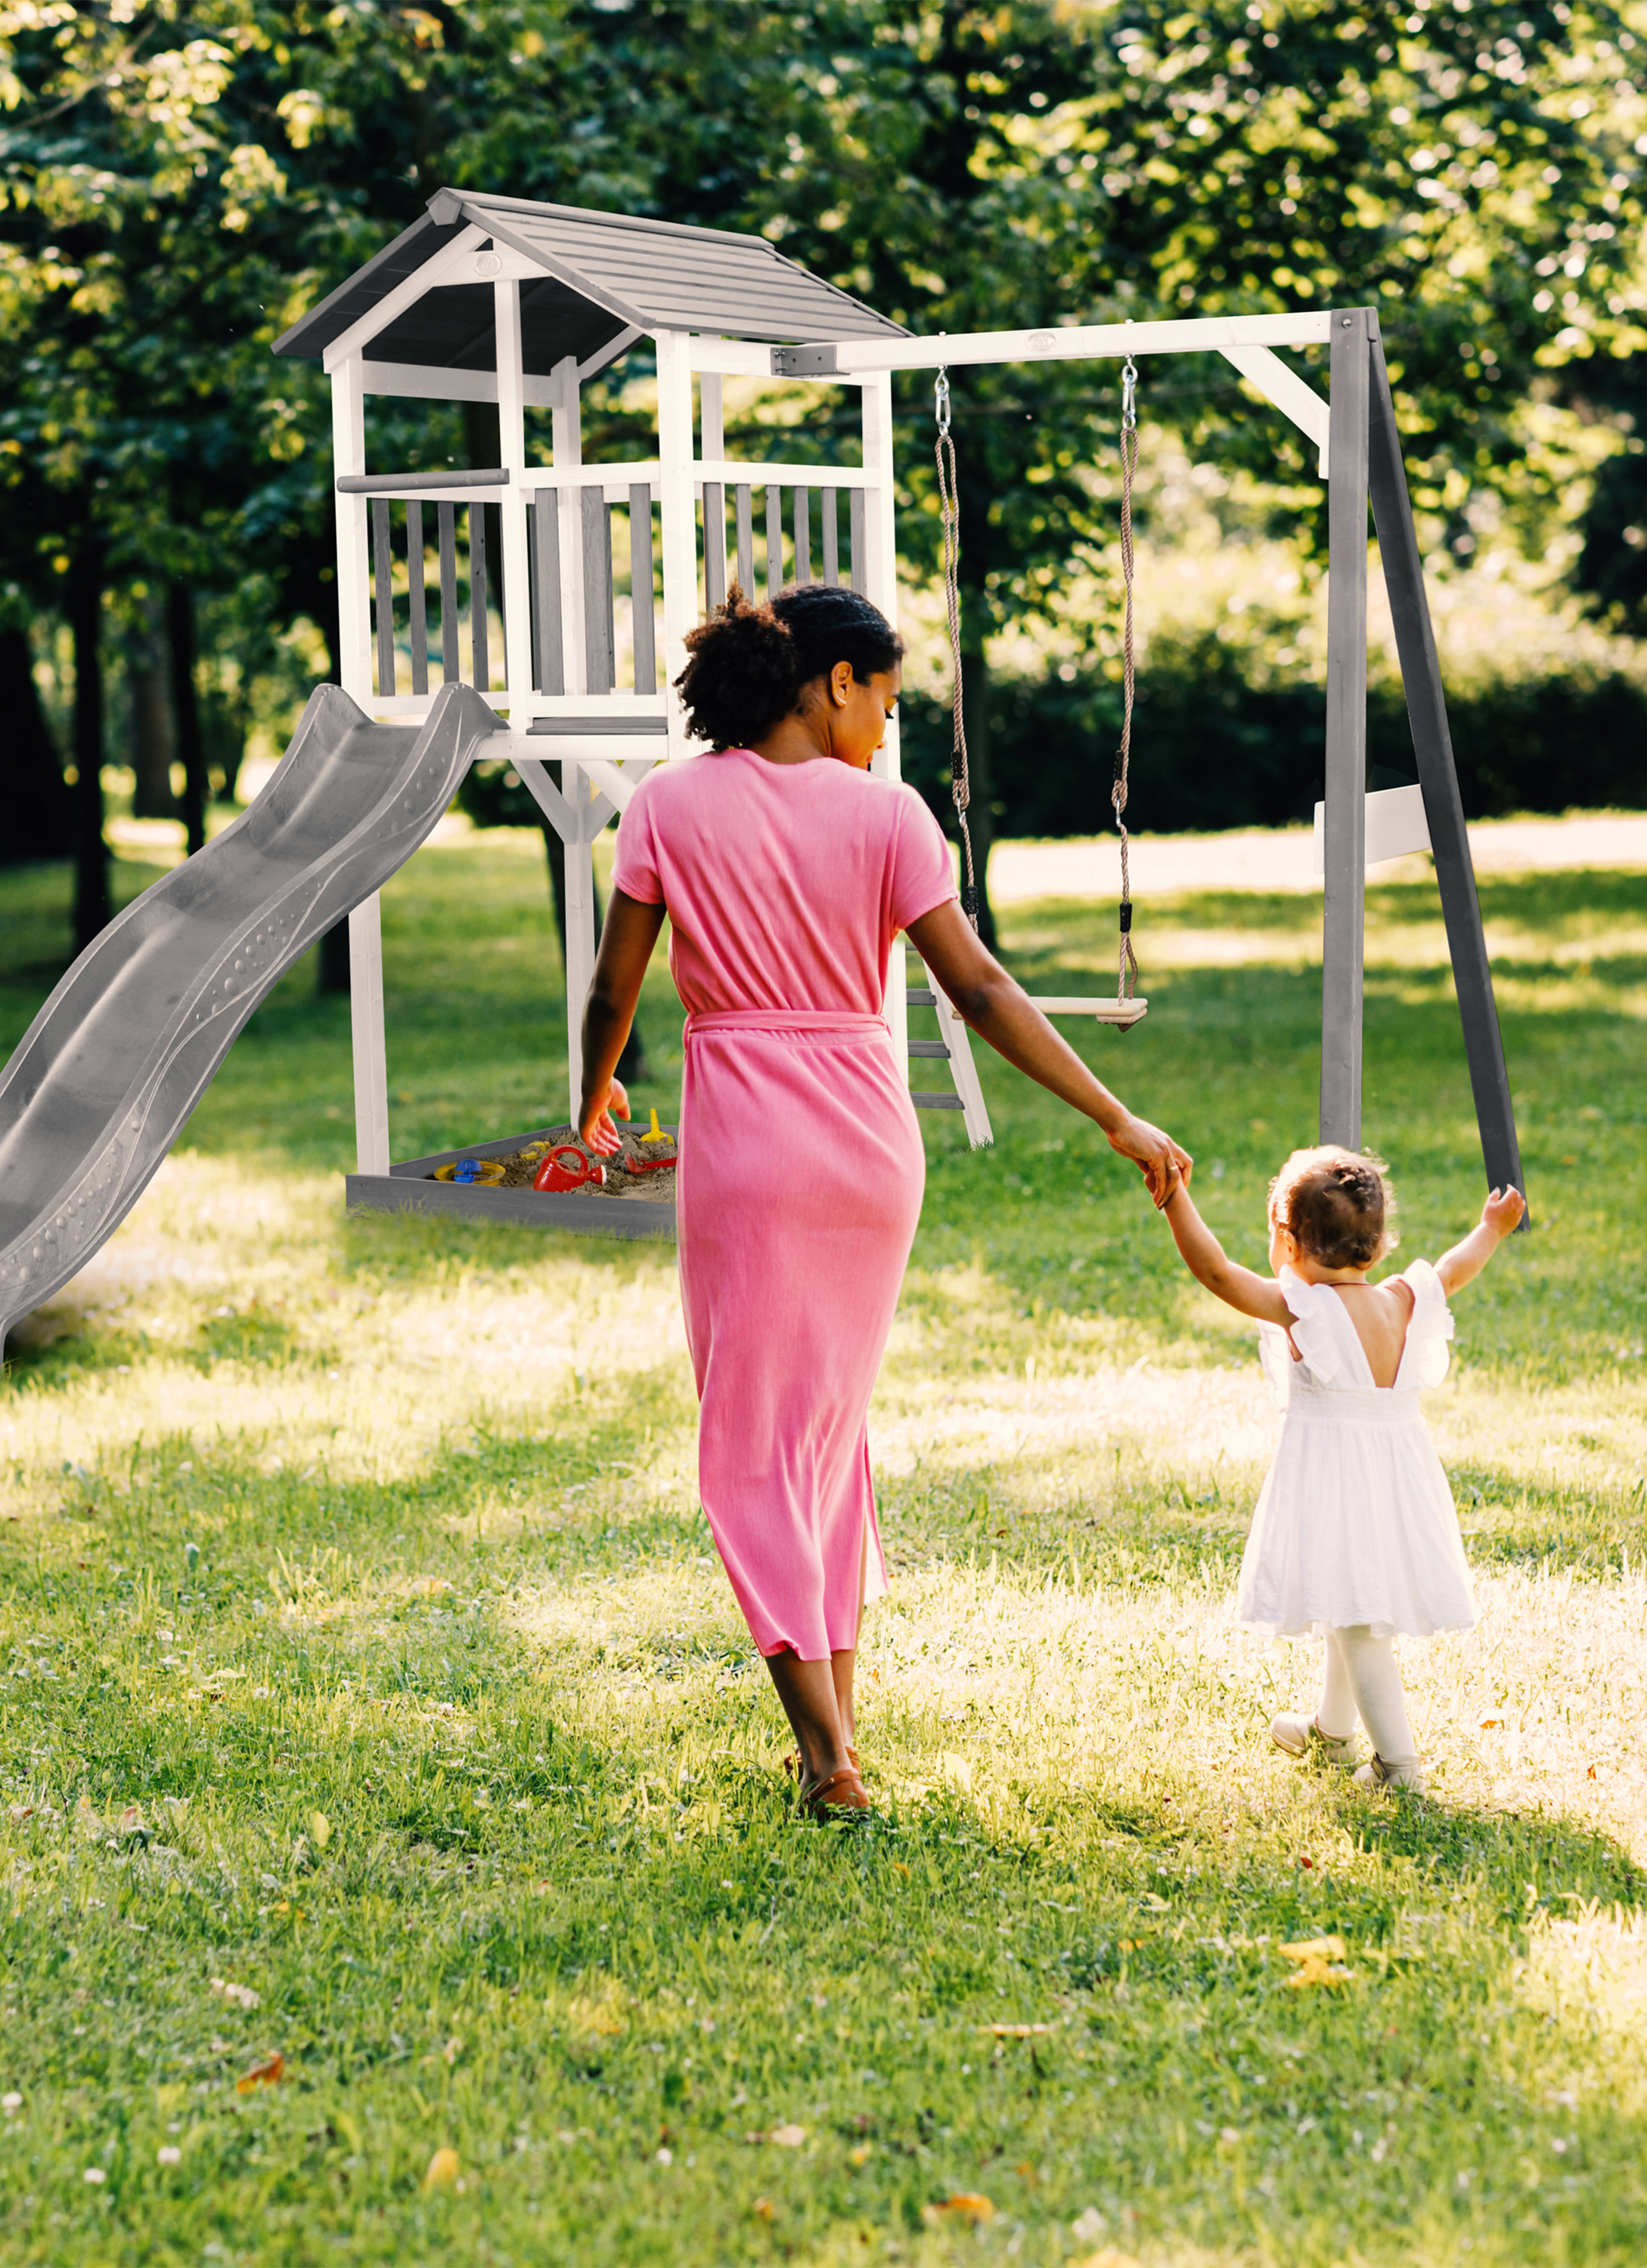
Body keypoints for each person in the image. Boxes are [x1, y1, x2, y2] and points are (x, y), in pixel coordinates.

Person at [575, 584, 1190, 1819]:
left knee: (753, 1447)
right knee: (824, 1437)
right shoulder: (890, 817)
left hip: (747, 1145)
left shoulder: (666, 806)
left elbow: (614, 990)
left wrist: (587, 1103)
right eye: (887, 701)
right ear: (834, 682)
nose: (886, 728)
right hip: (867, 1147)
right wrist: (1112, 1112)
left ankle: (825, 1756)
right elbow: (981, 991)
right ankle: (837, 1733)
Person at [1156, 1143, 1527, 1790]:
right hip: (1397, 1481)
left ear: (1288, 1242)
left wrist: (1173, 1197)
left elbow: (1216, 1272)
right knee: (1343, 1599)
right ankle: (1332, 1732)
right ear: (1378, 1246)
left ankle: (1399, 1768)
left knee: (1357, 1625)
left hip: (1337, 1484)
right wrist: (1490, 1228)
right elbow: (1454, 1267)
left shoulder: (1304, 1309)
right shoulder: (1405, 1299)